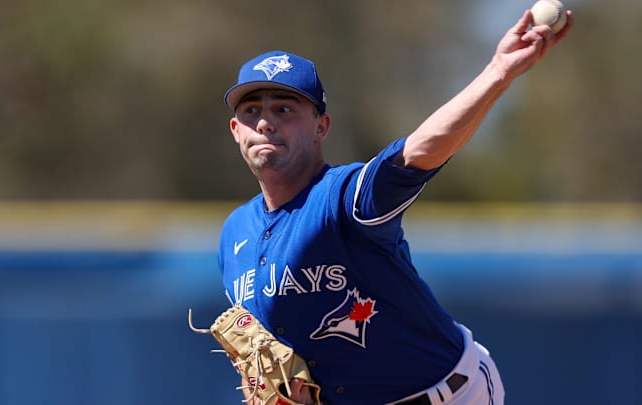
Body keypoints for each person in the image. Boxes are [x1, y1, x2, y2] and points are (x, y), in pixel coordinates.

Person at [217, 8, 573, 405]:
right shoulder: (235, 234)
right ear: (236, 131)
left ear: (321, 127)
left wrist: (497, 73)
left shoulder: (344, 197)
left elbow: (420, 151)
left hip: (449, 395)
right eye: (251, 111)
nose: (265, 123)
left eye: (284, 109)